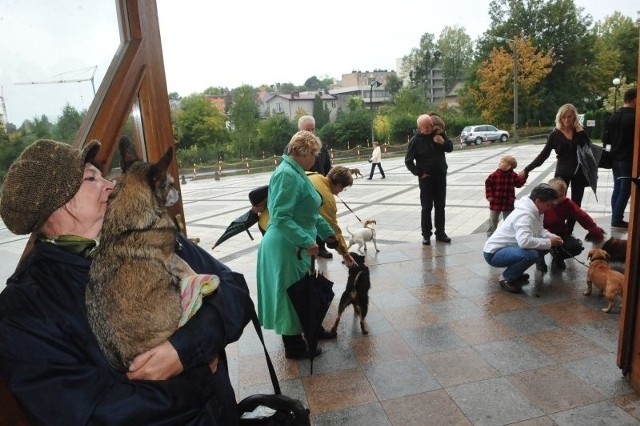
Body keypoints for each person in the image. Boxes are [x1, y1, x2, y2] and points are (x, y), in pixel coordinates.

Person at [0, 139, 251, 424]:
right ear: (60, 202)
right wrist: (198, 372)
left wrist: (187, 347)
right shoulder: (23, 309)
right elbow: (96, 414)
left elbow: (235, 291)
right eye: (92, 178)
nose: (111, 185)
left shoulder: (149, 236)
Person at [256, 130, 337, 358]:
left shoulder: (296, 171)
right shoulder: (287, 175)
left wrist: (327, 234)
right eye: (315, 154)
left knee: (302, 291)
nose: (316, 159)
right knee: (291, 294)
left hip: (294, 243)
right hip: (286, 245)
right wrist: (306, 240)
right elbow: (281, 216)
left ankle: (312, 329)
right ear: (304, 152)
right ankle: (294, 347)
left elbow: (309, 210)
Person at [520, 104, 592, 232]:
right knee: (556, 202)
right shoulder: (555, 134)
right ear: (560, 117)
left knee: (576, 205)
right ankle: (558, 229)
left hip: (578, 172)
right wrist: (527, 169)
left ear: (574, 117)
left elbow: (588, 146)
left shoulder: (580, 132)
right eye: (563, 117)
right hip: (562, 173)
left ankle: (569, 231)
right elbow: (543, 155)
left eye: (569, 117)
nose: (566, 120)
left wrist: (581, 130)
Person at [483, 183, 563, 294]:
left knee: (543, 248)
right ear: (538, 201)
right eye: (548, 205)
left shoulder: (537, 210)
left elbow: (539, 230)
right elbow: (524, 242)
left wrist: (551, 237)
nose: (549, 208)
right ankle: (506, 278)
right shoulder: (525, 215)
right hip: (493, 253)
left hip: (509, 248)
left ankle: (515, 273)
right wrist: (549, 242)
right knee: (531, 254)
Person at [405, 113, 453, 245]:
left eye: (430, 125)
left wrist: (442, 142)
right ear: (420, 128)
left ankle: (441, 233)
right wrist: (419, 173)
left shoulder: (439, 134)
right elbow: (408, 161)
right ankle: (426, 235)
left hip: (440, 176)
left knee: (440, 207)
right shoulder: (415, 141)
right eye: (426, 127)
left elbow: (450, 148)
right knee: (426, 207)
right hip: (426, 179)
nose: (430, 128)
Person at [544, 178, 605, 272]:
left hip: (560, 233)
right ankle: (540, 261)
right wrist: (547, 235)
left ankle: (557, 257)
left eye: (562, 195)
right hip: (542, 234)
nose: (559, 199)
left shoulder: (567, 203)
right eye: (557, 196)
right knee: (536, 249)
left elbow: (582, 216)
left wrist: (594, 230)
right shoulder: (542, 202)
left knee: (576, 247)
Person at [297, 115, 333, 258]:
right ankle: (306, 244)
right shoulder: (293, 147)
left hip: (319, 188)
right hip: (303, 190)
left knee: (320, 217)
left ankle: (321, 246)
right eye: (307, 129)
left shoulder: (320, 145)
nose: (311, 132)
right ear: (299, 129)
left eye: (313, 129)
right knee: (308, 218)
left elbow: (328, 167)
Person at [603, 87, 637, 229]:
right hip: (628, 160)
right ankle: (617, 219)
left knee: (617, 188)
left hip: (615, 159)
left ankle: (615, 217)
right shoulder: (635, 117)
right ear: (635, 100)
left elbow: (606, 139)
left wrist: (611, 153)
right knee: (625, 190)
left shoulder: (612, 117)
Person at [485, 155, 527, 236]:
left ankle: (507, 232)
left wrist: (524, 178)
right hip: (495, 201)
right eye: (501, 161)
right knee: (493, 219)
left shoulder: (513, 175)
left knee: (508, 219)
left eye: (502, 162)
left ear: (508, 166)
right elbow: (488, 184)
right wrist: (489, 195)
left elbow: (518, 184)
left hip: (508, 202)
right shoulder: (494, 175)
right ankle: (491, 232)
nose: (500, 163)